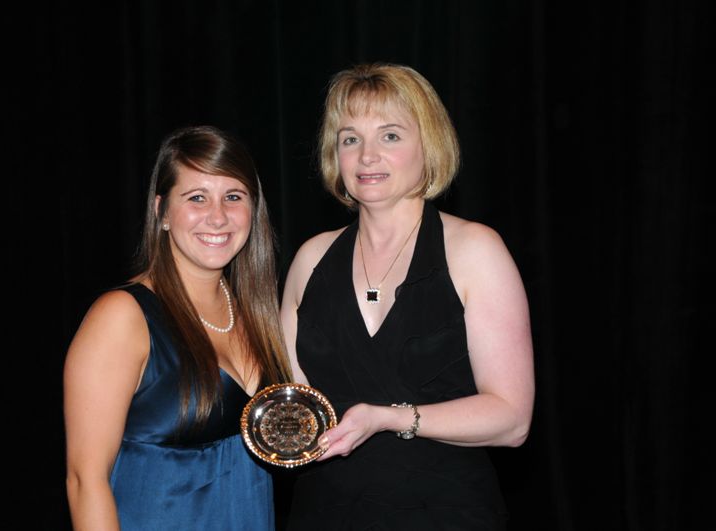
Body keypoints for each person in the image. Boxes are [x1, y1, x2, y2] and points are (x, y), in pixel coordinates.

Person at [280, 63, 535, 530]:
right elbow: (298, 405)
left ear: (428, 146)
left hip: (445, 513)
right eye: (350, 138)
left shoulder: (475, 250)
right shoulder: (310, 258)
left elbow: (512, 420)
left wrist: (387, 417)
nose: (367, 155)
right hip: (324, 514)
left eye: (390, 136)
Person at [64, 125, 292, 530]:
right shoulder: (122, 316)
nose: (218, 216)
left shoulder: (254, 313)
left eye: (233, 197)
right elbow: (86, 481)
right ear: (162, 211)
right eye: (197, 198)